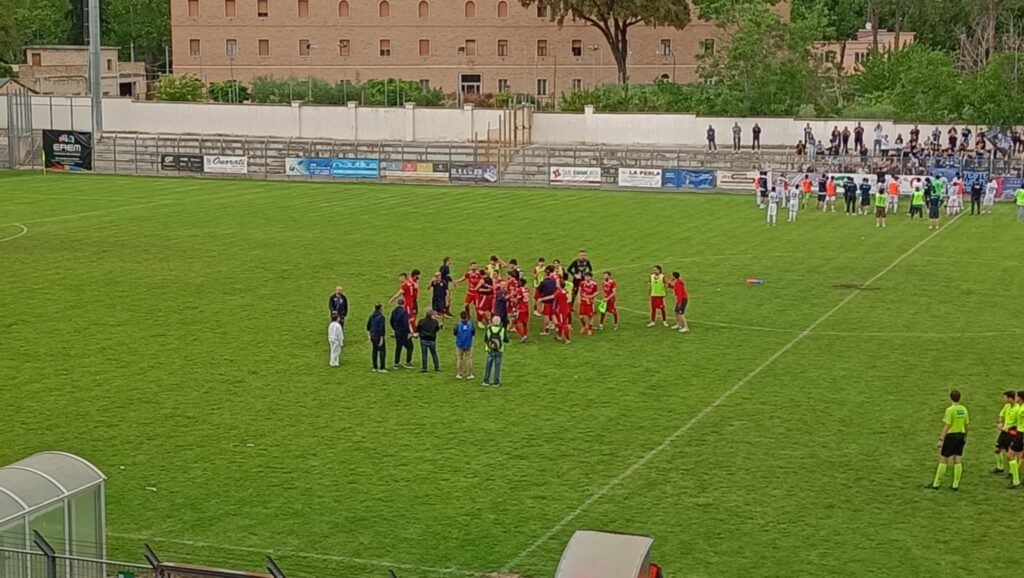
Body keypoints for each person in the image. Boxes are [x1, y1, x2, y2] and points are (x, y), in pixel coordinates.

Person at [928, 389, 969, 491]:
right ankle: (955, 485)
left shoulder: (950, 410)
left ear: (950, 398)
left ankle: (936, 484)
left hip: (951, 436)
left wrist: (941, 439)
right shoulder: (964, 409)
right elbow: (967, 424)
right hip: (961, 435)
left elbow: (947, 425)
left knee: (944, 459)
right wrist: (965, 436)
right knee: (957, 459)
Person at [994, 391, 1016, 475]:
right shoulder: (1007, 406)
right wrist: (1000, 423)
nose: (1003, 399)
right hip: (1004, 432)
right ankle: (1000, 468)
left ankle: (1012, 472)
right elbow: (1001, 415)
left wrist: (1009, 428)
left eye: (1005, 397)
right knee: (997, 450)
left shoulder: (1017, 408)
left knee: (1009, 454)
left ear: (1010, 398)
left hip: (1011, 433)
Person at [481, 316, 506, 387]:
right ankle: (496, 382)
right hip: (499, 350)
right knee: (497, 366)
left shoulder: (489, 329)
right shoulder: (502, 329)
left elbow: (485, 339)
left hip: (490, 349)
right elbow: (506, 340)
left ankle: (486, 381)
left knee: (488, 366)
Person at [390, 299, 414, 369]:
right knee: (410, 347)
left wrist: (395, 329)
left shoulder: (394, 311)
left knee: (398, 347)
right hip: (403, 333)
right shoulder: (404, 312)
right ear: (404, 304)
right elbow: (405, 323)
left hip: (397, 332)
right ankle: (408, 363)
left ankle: (396, 363)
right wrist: (409, 332)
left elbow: (391, 321)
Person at [453, 310, 475, 380]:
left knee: (459, 359)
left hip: (459, 344)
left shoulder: (458, 325)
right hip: (468, 344)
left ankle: (459, 374)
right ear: (467, 317)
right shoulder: (470, 324)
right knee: (469, 359)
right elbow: (473, 332)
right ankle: (469, 374)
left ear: (460, 317)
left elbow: (454, 333)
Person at [366, 303, 388, 373]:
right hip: (378, 336)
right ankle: (382, 368)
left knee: (374, 351)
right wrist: (382, 338)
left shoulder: (371, 316)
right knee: (382, 352)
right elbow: (381, 328)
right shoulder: (381, 317)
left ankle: (375, 367)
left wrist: (369, 336)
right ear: (380, 308)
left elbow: (368, 327)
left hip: (373, 336)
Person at [417, 308, 440, 373]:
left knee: (424, 354)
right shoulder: (435, 322)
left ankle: (424, 367)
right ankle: (436, 367)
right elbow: (437, 329)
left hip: (423, 339)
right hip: (432, 340)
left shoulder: (421, 321)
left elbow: (418, 329)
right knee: (434, 353)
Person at [1009, 392, 1024, 488]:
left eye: (1017, 396)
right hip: (1019, 433)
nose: (1015, 398)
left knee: (1010, 455)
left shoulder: (1023, 409)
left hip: (1021, 434)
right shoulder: (1020, 407)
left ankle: (1016, 481)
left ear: (1020, 398)